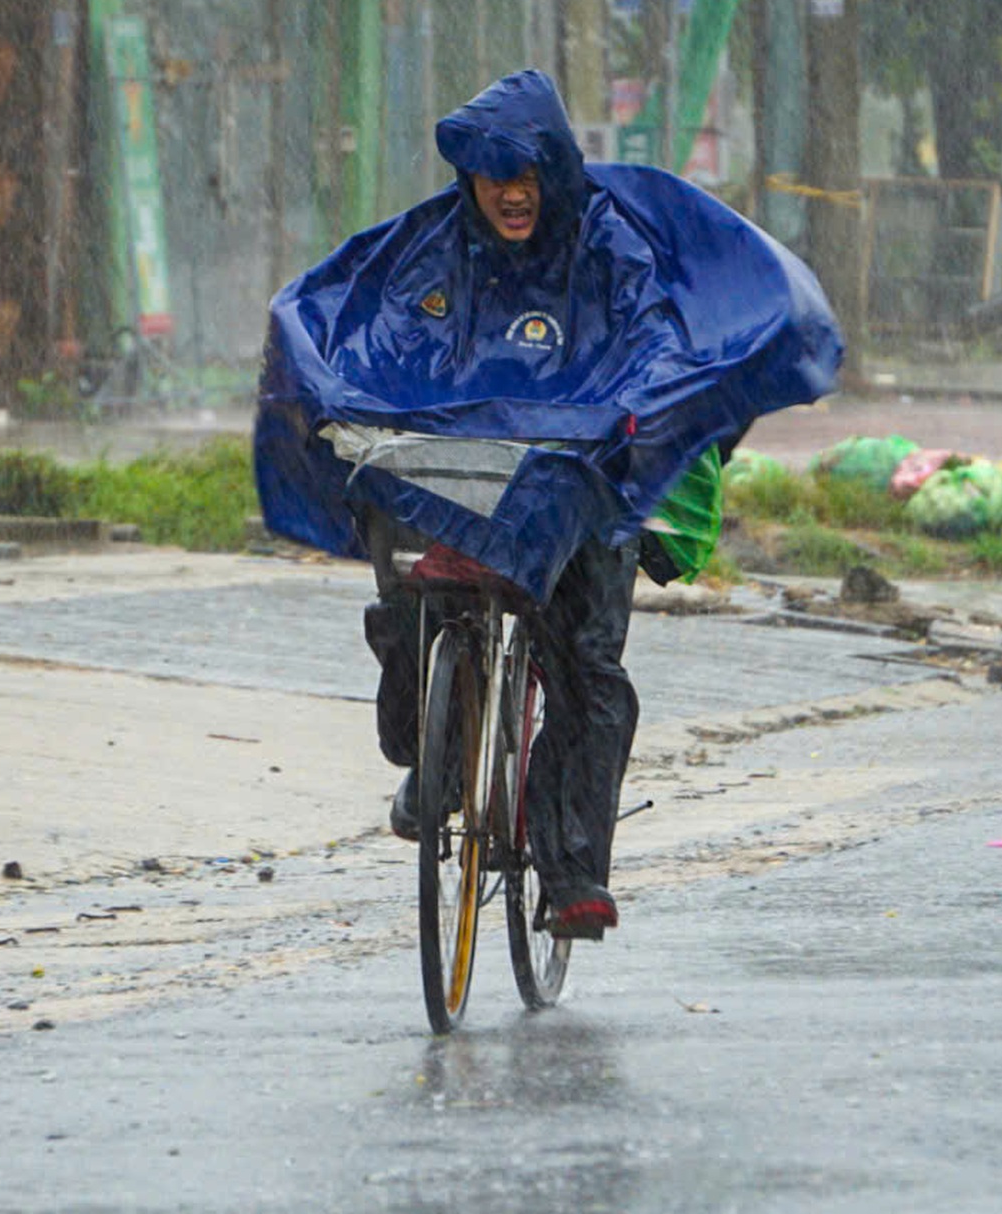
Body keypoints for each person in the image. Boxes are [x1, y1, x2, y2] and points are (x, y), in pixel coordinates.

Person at [254, 69, 842, 942]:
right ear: (470, 181)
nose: (509, 193)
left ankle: (570, 871)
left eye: (523, 173)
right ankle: (439, 760)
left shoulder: (610, 249)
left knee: (587, 671)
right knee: (406, 595)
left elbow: (654, 345)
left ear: (554, 171)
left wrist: (638, 416)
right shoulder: (434, 248)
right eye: (492, 177)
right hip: (459, 484)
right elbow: (382, 337)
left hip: (578, 489)